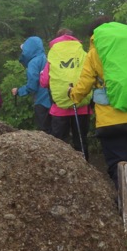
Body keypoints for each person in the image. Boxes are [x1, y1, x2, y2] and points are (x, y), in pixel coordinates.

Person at [67, 17, 127, 223]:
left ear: (94, 35)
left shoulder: (96, 52)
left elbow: (85, 83)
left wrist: (73, 95)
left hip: (110, 118)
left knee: (117, 164)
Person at [40, 29, 91, 159]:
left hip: (59, 108)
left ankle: (61, 170)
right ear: (74, 39)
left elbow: (44, 82)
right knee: (81, 141)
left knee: (59, 143)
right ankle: (86, 170)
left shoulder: (53, 56)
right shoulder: (82, 53)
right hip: (82, 106)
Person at [11, 36, 52, 133]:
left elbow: (32, 85)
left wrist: (19, 91)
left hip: (41, 101)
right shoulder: (47, 58)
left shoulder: (33, 63)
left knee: (45, 132)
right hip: (53, 100)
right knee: (54, 131)